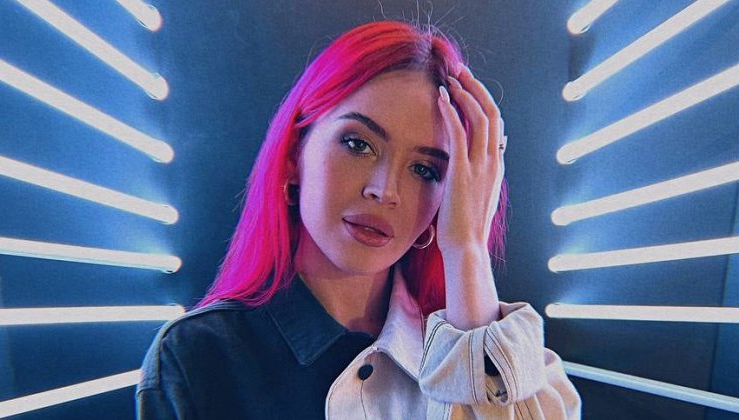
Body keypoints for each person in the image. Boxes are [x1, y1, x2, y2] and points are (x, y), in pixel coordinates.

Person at [136, 20, 581, 419]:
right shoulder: (198, 357)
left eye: (425, 170)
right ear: (294, 155)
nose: (385, 190)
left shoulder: (523, 369)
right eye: (358, 144)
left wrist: (467, 249)